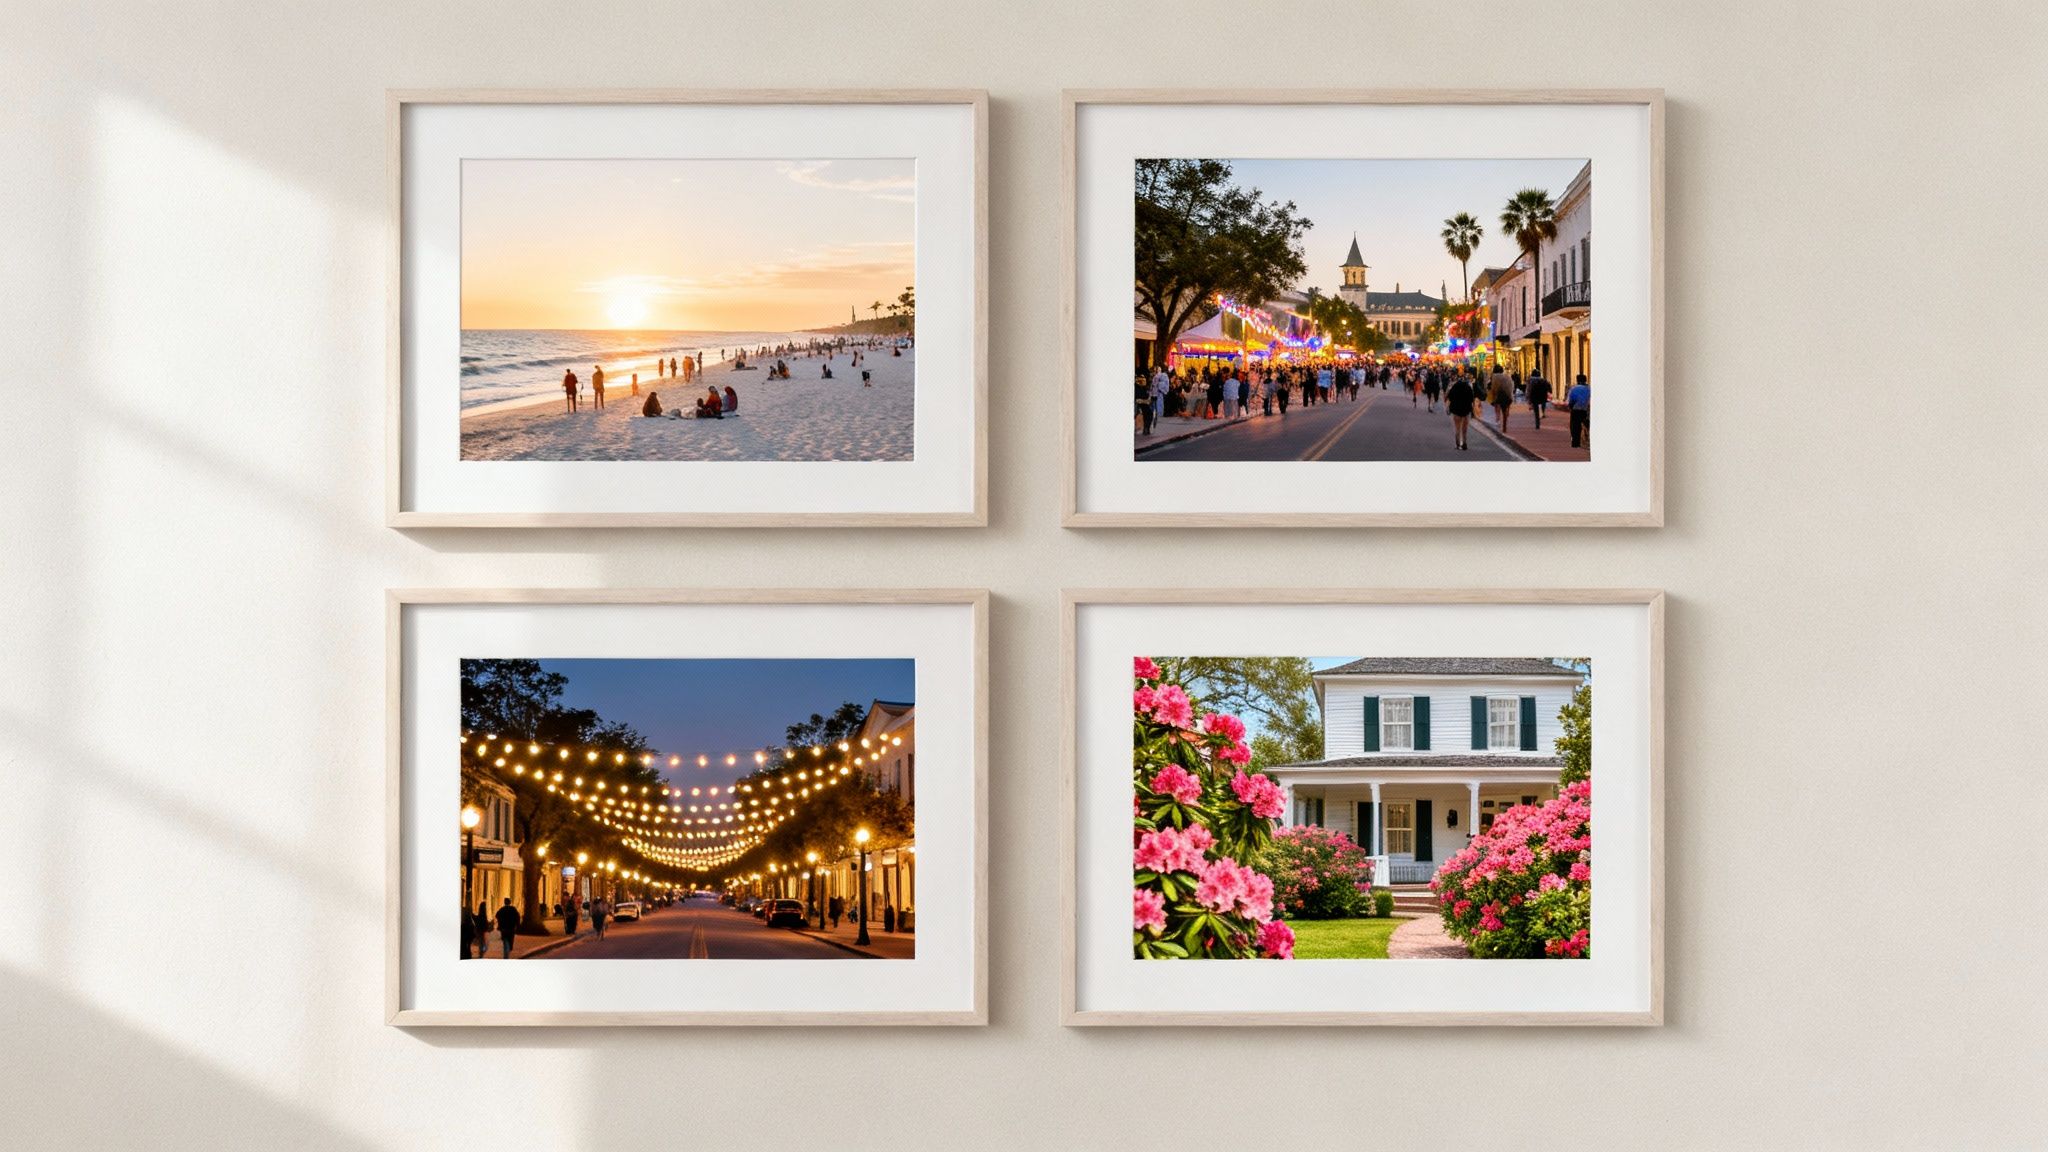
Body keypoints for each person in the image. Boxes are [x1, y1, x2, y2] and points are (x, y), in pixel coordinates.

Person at [1447, 374, 1476, 451]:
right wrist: (1473, 409)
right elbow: (1472, 399)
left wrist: (1449, 407)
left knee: (1457, 428)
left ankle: (1458, 443)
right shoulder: (1468, 388)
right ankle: (1464, 443)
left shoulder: (1455, 387)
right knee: (1465, 428)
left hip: (1456, 409)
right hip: (1466, 409)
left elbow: (1450, 397)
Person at [1566, 374, 1591, 448]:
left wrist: (1570, 407)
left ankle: (1575, 443)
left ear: (1577, 380)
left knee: (1575, 427)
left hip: (1576, 409)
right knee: (1587, 424)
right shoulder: (1589, 389)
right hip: (1585, 409)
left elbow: (1571, 400)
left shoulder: (1574, 389)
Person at [1488, 366, 1513, 431]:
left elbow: (1494, 388)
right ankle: (1504, 426)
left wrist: (1493, 398)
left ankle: (1498, 420)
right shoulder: (1507, 376)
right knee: (1504, 412)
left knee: (1497, 408)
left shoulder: (1495, 377)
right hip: (1507, 396)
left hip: (1499, 396)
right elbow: (1511, 388)